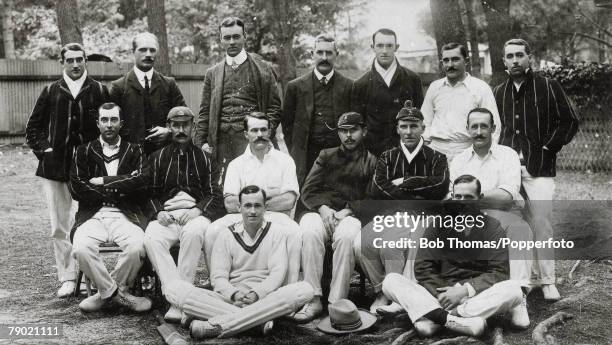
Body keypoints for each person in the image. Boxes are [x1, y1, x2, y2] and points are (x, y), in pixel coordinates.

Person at [379, 175, 529, 337]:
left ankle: (436, 318)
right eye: (458, 197)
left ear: (480, 199)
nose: (462, 202)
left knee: (514, 290)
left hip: (475, 296)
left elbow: (498, 271)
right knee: (391, 280)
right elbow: (423, 267)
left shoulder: (492, 227)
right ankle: (460, 321)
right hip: (439, 294)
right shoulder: (437, 225)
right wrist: (443, 295)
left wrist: (464, 290)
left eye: (469, 197)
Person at [161, 185, 313, 339]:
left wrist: (256, 294)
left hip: (266, 298)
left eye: (257, 205)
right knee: (174, 288)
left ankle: (215, 324)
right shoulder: (226, 234)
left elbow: (277, 274)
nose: (252, 211)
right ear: (239, 207)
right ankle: (258, 322)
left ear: (265, 207)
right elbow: (218, 277)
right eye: (247, 205)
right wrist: (234, 294)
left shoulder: (277, 233)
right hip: (233, 300)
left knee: (305, 289)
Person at [493, 38, 580, 300]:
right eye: (510, 56)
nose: (515, 60)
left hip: (539, 167)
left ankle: (547, 280)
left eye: (520, 54)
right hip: (507, 169)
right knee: (517, 224)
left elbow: (569, 121)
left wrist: (548, 148)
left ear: (530, 57)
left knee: (541, 222)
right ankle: (522, 281)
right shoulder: (498, 92)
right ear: (504, 61)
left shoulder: (548, 85)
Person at [25, 42, 109, 298]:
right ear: (62, 62)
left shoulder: (99, 90)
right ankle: (68, 278)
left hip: (89, 170)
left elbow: (109, 128)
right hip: (55, 169)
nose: (75, 64)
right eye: (70, 60)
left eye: (79, 59)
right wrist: (46, 151)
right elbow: (33, 129)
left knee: (87, 223)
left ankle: (89, 278)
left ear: (86, 61)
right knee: (60, 227)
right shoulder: (51, 90)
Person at [356, 101, 449, 313]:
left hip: (421, 216)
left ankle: (398, 298)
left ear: (423, 128)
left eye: (414, 126)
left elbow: (439, 186)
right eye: (404, 126)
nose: (409, 131)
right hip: (391, 214)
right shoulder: (387, 157)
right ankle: (382, 290)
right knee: (361, 243)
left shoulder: (437, 157)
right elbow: (378, 187)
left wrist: (406, 181)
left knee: (390, 244)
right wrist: (416, 193)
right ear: (397, 128)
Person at [68, 102, 151, 312]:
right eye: (104, 120)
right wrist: (123, 182)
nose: (109, 124)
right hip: (92, 215)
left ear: (121, 123)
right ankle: (118, 295)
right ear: (97, 123)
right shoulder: (83, 151)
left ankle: (104, 295)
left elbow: (142, 181)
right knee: (81, 248)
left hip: (125, 214)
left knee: (137, 247)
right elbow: (77, 188)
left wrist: (103, 181)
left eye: (114, 119)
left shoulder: (135, 150)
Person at [143, 106, 223, 322]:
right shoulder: (157, 158)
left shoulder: (205, 159)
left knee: (194, 234)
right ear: (169, 127)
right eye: (176, 125)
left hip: (195, 216)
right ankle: (179, 298)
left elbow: (216, 193)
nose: (180, 130)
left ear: (193, 127)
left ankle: (179, 301)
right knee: (151, 237)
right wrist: (158, 212)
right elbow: (147, 192)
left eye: (185, 125)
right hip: (166, 217)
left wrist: (198, 210)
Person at [295, 112, 377, 323]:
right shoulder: (326, 155)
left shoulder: (371, 161)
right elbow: (308, 190)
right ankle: (313, 298)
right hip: (320, 212)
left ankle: (337, 302)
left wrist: (348, 210)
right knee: (309, 231)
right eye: (343, 131)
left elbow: (372, 197)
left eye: (353, 130)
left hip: (351, 215)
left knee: (347, 237)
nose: (348, 136)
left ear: (364, 131)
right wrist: (323, 208)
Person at [203, 112, 302, 285]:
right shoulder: (236, 164)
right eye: (254, 130)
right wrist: (262, 204)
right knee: (212, 231)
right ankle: (220, 286)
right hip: (240, 217)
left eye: (263, 130)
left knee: (294, 232)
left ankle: (289, 289)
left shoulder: (285, 161)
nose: (259, 135)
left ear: (270, 131)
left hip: (276, 217)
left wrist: (253, 205)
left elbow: (289, 200)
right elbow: (229, 203)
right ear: (246, 134)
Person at [449, 107, 533, 293]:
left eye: (484, 126)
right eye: (474, 127)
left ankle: (520, 295)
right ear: (467, 129)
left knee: (520, 229)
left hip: (502, 213)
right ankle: (420, 291)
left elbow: (506, 197)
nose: (479, 132)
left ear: (493, 128)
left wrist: (471, 197)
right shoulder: (459, 160)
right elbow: (454, 198)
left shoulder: (507, 154)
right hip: (468, 217)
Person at [194, 17, 281, 180]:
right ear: (221, 40)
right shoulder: (212, 73)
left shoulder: (263, 69)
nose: (232, 42)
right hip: (221, 143)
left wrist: (264, 135)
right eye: (227, 38)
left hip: (251, 140)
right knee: (224, 190)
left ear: (245, 37)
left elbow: (274, 108)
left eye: (236, 36)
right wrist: (201, 144)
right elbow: (204, 112)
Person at [282, 34, 353, 185]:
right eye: (320, 52)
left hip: (339, 155)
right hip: (307, 156)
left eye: (329, 53)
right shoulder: (295, 87)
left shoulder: (349, 86)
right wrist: (298, 152)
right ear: (312, 54)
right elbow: (287, 126)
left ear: (336, 55)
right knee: (307, 200)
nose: (324, 57)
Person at [420, 43, 501, 161]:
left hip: (468, 151)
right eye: (446, 60)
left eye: (455, 59)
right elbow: (424, 121)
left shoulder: (480, 88)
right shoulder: (434, 87)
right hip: (436, 151)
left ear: (466, 61)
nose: (450, 65)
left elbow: (495, 126)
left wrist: (486, 155)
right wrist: (426, 147)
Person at [109, 32, 186, 155]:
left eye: (152, 50)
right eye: (143, 50)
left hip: (164, 156)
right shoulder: (119, 87)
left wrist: (169, 131)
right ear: (133, 51)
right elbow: (110, 125)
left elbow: (184, 118)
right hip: (130, 158)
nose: (148, 54)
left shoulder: (169, 84)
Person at [352, 28, 423, 156]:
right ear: (373, 47)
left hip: (407, 151)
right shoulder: (361, 84)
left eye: (389, 46)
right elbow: (358, 125)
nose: (384, 51)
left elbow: (420, 117)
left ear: (396, 47)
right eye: (380, 46)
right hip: (373, 153)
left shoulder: (412, 79)